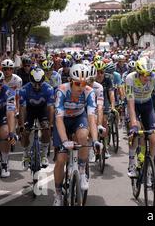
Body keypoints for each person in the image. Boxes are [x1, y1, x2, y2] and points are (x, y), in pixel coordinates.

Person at [52, 64, 101, 206]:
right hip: (63, 121)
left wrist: (96, 140)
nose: (81, 87)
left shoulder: (89, 92)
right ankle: (58, 193)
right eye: (77, 83)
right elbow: (59, 119)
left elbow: (92, 118)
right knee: (61, 159)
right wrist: (65, 140)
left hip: (79, 118)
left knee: (83, 137)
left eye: (84, 83)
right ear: (71, 81)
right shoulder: (61, 90)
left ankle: (82, 171)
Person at [125, 58, 155, 178]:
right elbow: (131, 104)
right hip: (135, 106)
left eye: (148, 74)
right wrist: (133, 124)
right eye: (143, 74)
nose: (146, 77)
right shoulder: (130, 78)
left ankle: (149, 167)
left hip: (148, 105)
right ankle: (132, 162)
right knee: (137, 131)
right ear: (138, 73)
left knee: (154, 138)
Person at [19, 68, 55, 169]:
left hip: (42, 110)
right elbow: (22, 109)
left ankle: (43, 155)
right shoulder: (24, 89)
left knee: (46, 128)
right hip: (29, 110)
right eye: (34, 83)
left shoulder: (49, 89)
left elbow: (51, 108)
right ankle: (25, 155)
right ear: (30, 81)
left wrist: (51, 124)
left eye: (40, 83)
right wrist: (22, 125)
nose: (37, 86)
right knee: (25, 132)